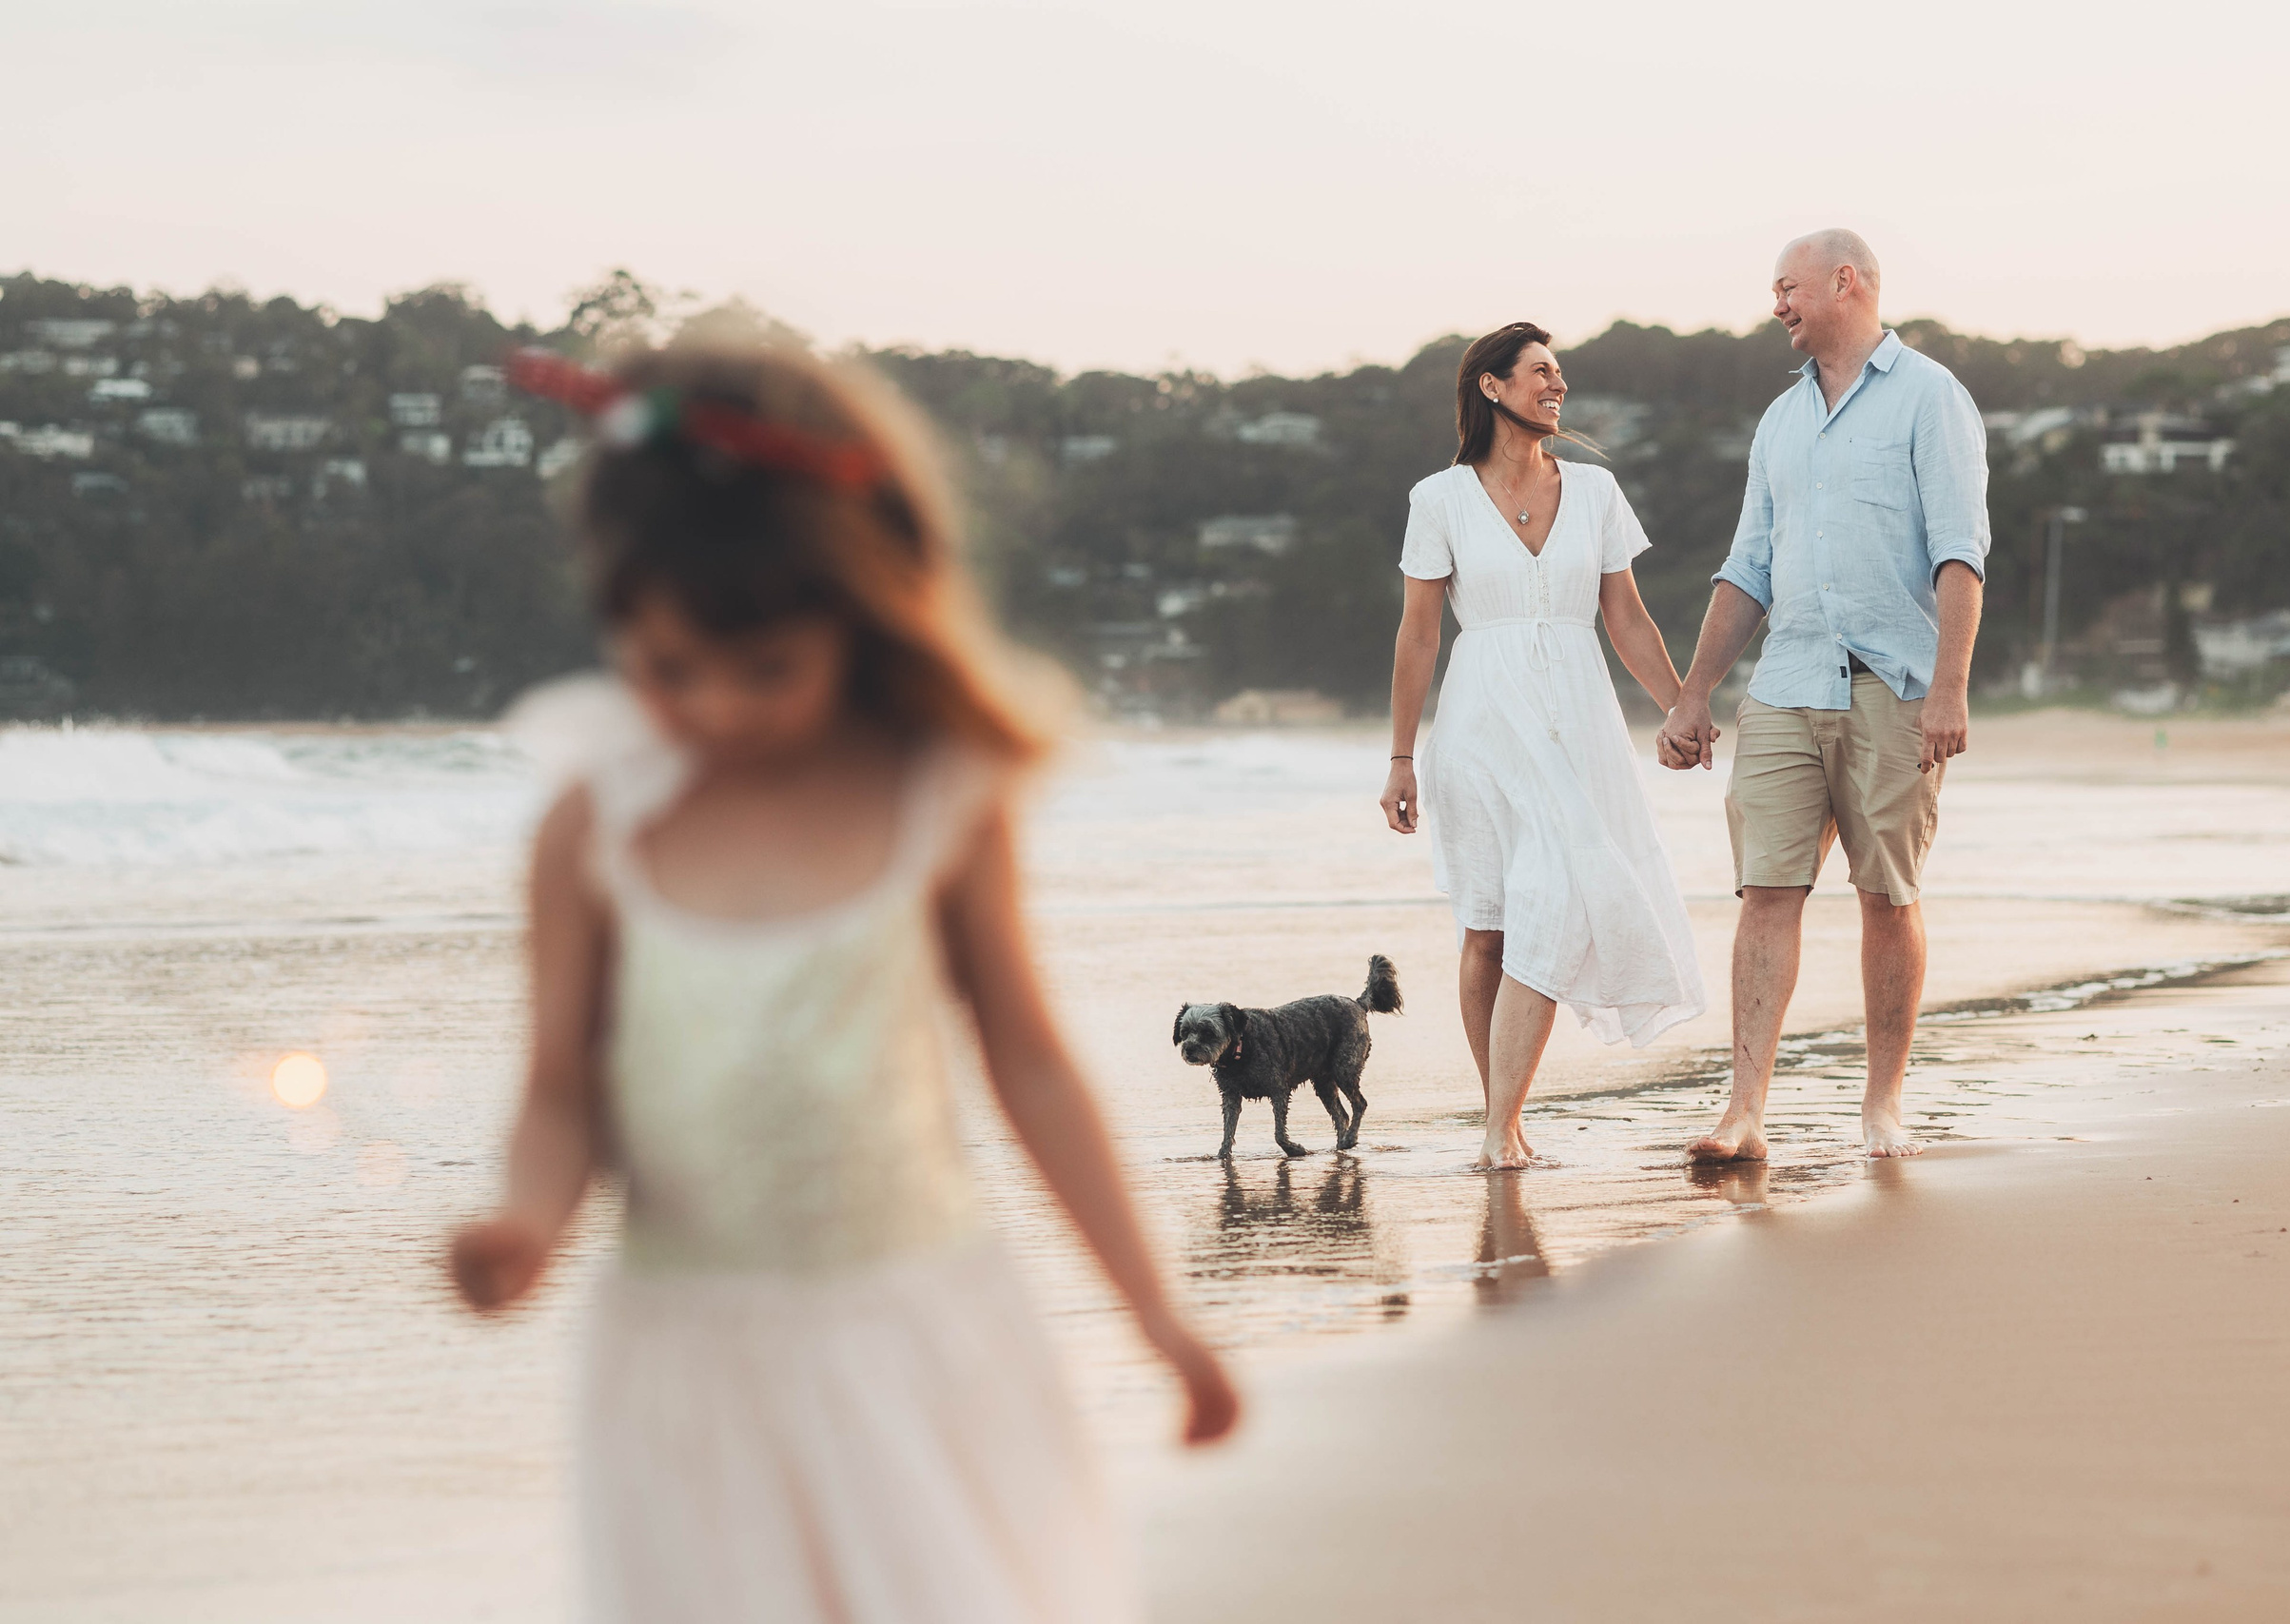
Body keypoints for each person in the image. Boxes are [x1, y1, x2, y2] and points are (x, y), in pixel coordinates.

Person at [448, 344, 1237, 1622]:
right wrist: (525, 1224)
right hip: (686, 1368)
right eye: (668, 667)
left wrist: (1157, 1312)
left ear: (861, 613)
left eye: (766, 668)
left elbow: (1031, 1063)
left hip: (914, 1337)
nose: (717, 706)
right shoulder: (594, 827)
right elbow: (561, 1089)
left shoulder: (936, 798)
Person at [1656, 229, 1990, 1162]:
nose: (1776, 306)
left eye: (1787, 288)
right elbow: (1747, 568)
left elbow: (1960, 553)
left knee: (1887, 895)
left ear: (1845, 283)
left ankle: (1883, 1106)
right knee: (1766, 888)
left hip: (1896, 689)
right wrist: (1693, 693)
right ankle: (1744, 1113)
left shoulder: (1931, 397)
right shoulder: (1780, 420)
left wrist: (1950, 688)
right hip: (1787, 686)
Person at [1380, 322, 1706, 1171]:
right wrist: (1401, 758)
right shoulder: (1438, 499)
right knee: (1487, 928)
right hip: (1480, 728)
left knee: (1554, 903)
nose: (1557, 386)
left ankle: (1501, 1125)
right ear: (1491, 386)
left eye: (1560, 374)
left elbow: (1625, 618)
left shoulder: (1595, 491)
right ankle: (1502, 1121)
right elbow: (1419, 635)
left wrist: (1682, 705)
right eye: (1540, 372)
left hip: (1579, 724)